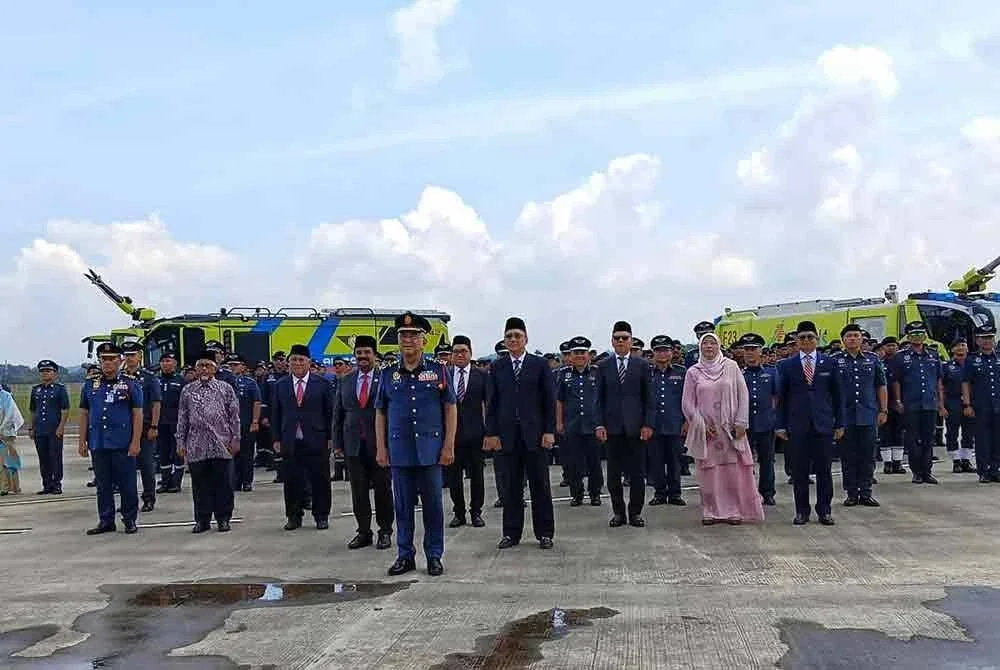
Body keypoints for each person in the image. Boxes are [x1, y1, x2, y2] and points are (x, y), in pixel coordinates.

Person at [375, 312, 457, 576]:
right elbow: (380, 412)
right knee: (403, 506)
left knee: (433, 506)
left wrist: (448, 446)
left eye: (413, 335)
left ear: (424, 340)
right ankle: (404, 555)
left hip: (431, 451)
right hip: (399, 451)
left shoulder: (437, 370)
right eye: (403, 335)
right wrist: (381, 447)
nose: (408, 339)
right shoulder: (388, 374)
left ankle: (434, 555)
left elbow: (450, 408)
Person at [485, 316, 556, 550]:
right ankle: (511, 533)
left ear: (526, 339)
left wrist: (549, 431)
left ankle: (545, 532)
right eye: (509, 336)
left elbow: (549, 401)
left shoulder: (540, 365)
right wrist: (492, 433)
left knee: (540, 486)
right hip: (507, 436)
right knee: (511, 487)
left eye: (517, 336)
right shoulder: (497, 367)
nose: (513, 339)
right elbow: (492, 404)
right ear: (504, 340)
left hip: (535, 435)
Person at [682, 333, 765, 525]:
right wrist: (700, 424)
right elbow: (687, 403)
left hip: (731, 429)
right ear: (700, 347)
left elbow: (743, 395)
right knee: (710, 473)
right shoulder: (693, 372)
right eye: (705, 343)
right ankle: (711, 510)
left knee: (732, 471)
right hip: (707, 431)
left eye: (712, 343)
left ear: (719, 346)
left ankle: (734, 510)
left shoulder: (731, 367)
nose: (709, 347)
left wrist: (741, 423)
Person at [775, 321, 844, 526]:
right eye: (802, 337)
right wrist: (780, 424)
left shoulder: (829, 363)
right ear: (797, 340)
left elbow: (838, 396)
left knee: (824, 471)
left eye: (810, 337)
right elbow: (781, 398)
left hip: (823, 425)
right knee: (800, 472)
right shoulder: (787, 365)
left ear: (817, 339)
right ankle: (801, 512)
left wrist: (840, 424)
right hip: (797, 425)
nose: (806, 341)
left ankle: (824, 511)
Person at [334, 335, 394, 550]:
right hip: (353, 445)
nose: (362, 356)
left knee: (383, 490)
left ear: (375, 355)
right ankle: (363, 532)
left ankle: (385, 531)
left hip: (379, 444)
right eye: (359, 353)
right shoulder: (346, 380)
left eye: (367, 352)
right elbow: (338, 414)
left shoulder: (386, 378)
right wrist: (337, 444)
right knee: (358, 491)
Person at [78, 342, 143, 535]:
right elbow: (84, 413)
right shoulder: (90, 385)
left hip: (123, 442)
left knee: (127, 484)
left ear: (120, 360)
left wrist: (136, 441)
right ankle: (106, 520)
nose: (107, 363)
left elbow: (137, 414)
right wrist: (82, 441)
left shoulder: (130, 384)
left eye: (112, 359)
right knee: (103, 485)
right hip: (99, 442)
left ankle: (129, 518)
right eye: (103, 359)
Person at [595, 320, 654, 528]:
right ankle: (618, 513)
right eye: (617, 338)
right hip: (612, 429)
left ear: (631, 341)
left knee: (638, 474)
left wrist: (648, 424)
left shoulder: (643, 365)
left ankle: (635, 512)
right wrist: (599, 424)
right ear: (612, 341)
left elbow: (649, 398)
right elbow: (598, 399)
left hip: (637, 428)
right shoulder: (603, 366)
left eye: (625, 338)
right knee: (613, 476)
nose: (620, 341)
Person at [271, 344, 335, 531]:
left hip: (317, 439)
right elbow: (276, 413)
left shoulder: (322, 384)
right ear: (288, 363)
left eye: (301, 360)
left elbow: (329, 413)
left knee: (320, 480)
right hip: (290, 439)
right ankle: (294, 516)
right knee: (291, 480)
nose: (297, 363)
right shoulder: (280, 385)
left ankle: (321, 515)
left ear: (308, 362)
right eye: (293, 360)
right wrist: (276, 438)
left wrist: (331, 437)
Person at [176, 351, 241, 533]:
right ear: (195, 369)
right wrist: (180, 442)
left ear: (215, 368)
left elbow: (234, 416)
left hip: (221, 444)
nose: (204, 369)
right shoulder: (187, 390)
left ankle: (223, 518)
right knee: (200, 485)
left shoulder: (225, 388)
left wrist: (236, 439)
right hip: (196, 444)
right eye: (200, 365)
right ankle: (202, 519)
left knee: (223, 484)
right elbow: (182, 418)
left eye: (208, 365)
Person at [831, 324, 886, 507]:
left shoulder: (872, 359)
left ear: (862, 339)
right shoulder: (835, 360)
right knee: (848, 456)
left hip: (868, 414)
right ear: (843, 340)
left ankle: (866, 491)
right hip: (845, 416)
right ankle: (851, 493)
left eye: (856, 335)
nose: (853, 339)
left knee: (868, 455)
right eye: (849, 336)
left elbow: (881, 385)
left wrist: (883, 409)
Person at [889, 321, 944, 485]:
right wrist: (898, 401)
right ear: (908, 336)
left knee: (928, 438)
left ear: (925, 336)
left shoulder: (933, 355)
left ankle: (927, 471)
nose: (917, 337)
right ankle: (916, 472)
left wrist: (940, 403)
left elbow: (938, 381)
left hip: (929, 402)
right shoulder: (900, 356)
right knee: (912, 439)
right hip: (910, 403)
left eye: (920, 333)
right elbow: (896, 381)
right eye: (914, 334)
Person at [446, 335, 490, 528]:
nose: (459, 355)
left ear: (471, 353)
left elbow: (489, 406)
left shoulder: (481, 376)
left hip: (475, 435)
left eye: (463, 351)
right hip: (452, 436)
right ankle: (459, 513)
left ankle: (476, 512)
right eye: (456, 352)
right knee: (453, 478)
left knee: (477, 477)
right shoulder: (445, 374)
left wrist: (489, 433)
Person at [556, 336, 604, 507]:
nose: (579, 356)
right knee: (574, 463)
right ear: (571, 354)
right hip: (573, 425)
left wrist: (602, 423)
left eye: (583, 352)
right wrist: (559, 423)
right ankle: (576, 494)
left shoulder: (598, 372)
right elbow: (559, 401)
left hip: (593, 426)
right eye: (576, 352)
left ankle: (595, 494)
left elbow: (603, 400)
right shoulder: (564, 374)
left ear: (589, 354)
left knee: (594, 463)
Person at [121, 341, 161, 512]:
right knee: (124, 467)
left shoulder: (149, 377)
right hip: (124, 428)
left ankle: (149, 498)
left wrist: (154, 426)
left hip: (145, 428)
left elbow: (156, 403)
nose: (129, 358)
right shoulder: (119, 377)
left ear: (140, 356)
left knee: (146, 465)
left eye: (132, 355)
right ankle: (128, 501)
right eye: (127, 355)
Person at [738, 334, 778, 506]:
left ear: (760, 351)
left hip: (765, 422)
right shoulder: (738, 373)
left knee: (767, 460)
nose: (750, 353)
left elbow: (777, 397)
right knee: (744, 462)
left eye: (753, 349)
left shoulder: (771, 372)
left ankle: (767, 492)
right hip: (744, 424)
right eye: (747, 349)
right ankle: (746, 492)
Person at [646, 335, 686, 507]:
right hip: (653, 425)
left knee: (675, 461)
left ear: (672, 352)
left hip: (675, 424)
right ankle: (660, 493)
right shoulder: (646, 373)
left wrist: (687, 422)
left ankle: (675, 493)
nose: (662, 354)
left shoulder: (682, 372)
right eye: (658, 350)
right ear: (653, 353)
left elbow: (689, 400)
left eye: (666, 350)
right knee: (656, 461)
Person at [963, 324, 1000, 483]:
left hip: (998, 404)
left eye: (990, 338)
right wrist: (967, 404)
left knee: (997, 439)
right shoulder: (972, 360)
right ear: (977, 340)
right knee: (982, 439)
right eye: (984, 338)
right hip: (981, 405)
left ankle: (996, 469)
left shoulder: (999, 358)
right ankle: (983, 471)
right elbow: (966, 383)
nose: (987, 341)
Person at [28, 359, 70, 495]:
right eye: (43, 371)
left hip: (54, 429)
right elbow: (33, 411)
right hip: (40, 429)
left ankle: (56, 484)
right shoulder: (36, 390)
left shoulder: (60, 389)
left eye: (48, 371)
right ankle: (47, 484)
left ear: (55, 373)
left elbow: (65, 409)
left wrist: (61, 427)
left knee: (55, 457)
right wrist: (32, 427)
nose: (45, 373)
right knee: (43, 458)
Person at [942, 340, 976, 473]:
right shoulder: (946, 366)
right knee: (952, 432)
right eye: (957, 346)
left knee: (969, 431)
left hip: (971, 402)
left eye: (963, 345)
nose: (961, 348)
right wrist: (942, 406)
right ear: (952, 350)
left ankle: (966, 460)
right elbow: (941, 387)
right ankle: (956, 460)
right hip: (953, 401)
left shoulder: (973, 364)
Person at [230, 355, 262, 492]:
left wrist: (255, 421)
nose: (232, 367)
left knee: (247, 454)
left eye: (235, 365)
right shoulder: (224, 382)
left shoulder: (250, 382)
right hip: (230, 426)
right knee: (232, 454)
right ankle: (235, 481)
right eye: (230, 365)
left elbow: (257, 402)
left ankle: (247, 481)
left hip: (246, 423)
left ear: (243, 367)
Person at [156, 352, 187, 493]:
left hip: (177, 423)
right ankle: (165, 482)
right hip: (160, 422)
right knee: (163, 453)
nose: (165, 364)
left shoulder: (182, 381)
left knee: (178, 453)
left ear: (175, 363)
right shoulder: (155, 380)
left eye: (168, 361)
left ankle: (176, 482)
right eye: (163, 361)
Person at [0, 387, 25, 496]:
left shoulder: (6, 396)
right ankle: (4, 487)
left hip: (6, 433)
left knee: (9, 460)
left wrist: (1, 428)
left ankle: (13, 487)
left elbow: (10, 414)